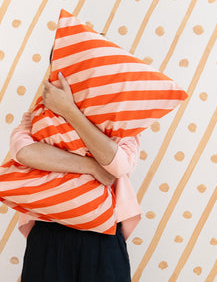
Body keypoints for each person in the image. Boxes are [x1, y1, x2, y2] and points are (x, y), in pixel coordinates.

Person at [9, 68, 142, 282]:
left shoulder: (119, 120)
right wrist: (93, 167)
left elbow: (119, 165)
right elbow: (24, 152)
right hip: (49, 234)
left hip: (103, 237)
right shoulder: (39, 115)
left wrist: (69, 110)